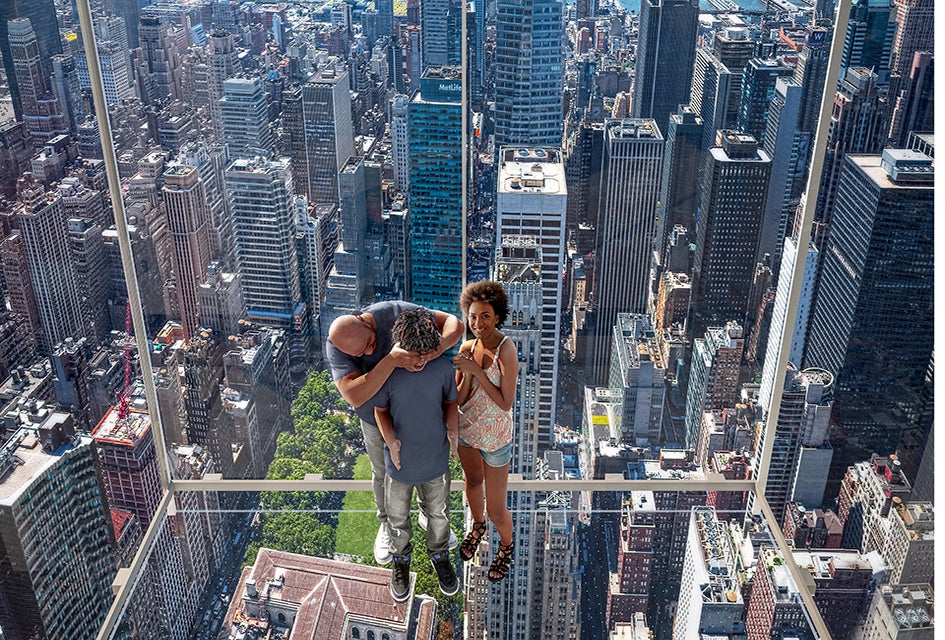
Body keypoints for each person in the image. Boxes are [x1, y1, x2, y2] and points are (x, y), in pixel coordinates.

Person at [327, 301, 463, 565]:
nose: (369, 350)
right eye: (361, 353)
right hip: (375, 417)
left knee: (430, 466)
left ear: (365, 321)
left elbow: (454, 325)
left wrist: (435, 350)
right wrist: (391, 360)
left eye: (370, 342)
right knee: (382, 473)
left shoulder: (393, 312)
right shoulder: (337, 346)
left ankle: (428, 514)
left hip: (420, 408)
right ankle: (387, 524)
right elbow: (354, 395)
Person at [373, 308, 460, 601]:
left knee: (439, 514)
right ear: (400, 346)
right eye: (414, 353)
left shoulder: (444, 368)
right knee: (397, 519)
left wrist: (453, 427)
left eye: (426, 352)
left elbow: (450, 401)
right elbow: (380, 411)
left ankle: (439, 556)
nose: (421, 359)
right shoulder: (390, 374)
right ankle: (401, 560)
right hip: (399, 464)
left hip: (435, 458)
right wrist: (391, 441)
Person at [453, 281, 517, 582]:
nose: (478, 323)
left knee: (496, 508)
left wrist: (477, 371)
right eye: (473, 316)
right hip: (468, 430)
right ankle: (477, 528)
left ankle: (506, 546)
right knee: (472, 484)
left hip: (496, 435)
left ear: (498, 317)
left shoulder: (507, 349)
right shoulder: (467, 347)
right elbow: (461, 397)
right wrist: (466, 373)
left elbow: (506, 402)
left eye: (485, 316)